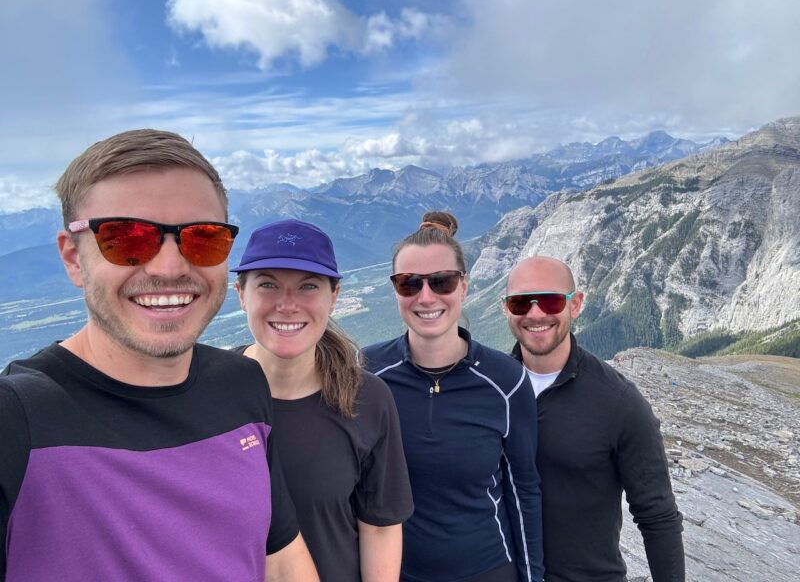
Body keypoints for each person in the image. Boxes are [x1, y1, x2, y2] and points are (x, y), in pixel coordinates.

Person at [0, 129, 318, 582]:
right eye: (126, 238)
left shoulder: (243, 384)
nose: (170, 267)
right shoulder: (17, 421)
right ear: (73, 257)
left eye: (203, 238)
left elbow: (281, 558)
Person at [362, 211, 544, 582]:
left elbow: (523, 490)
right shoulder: (366, 372)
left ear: (464, 286)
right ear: (395, 289)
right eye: (409, 283)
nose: (426, 297)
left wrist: (533, 578)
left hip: (488, 569)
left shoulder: (506, 381)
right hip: (395, 572)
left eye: (442, 282)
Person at [231, 218, 414, 582]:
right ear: (241, 293)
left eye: (308, 287)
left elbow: (379, 526)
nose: (287, 305)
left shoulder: (366, 399)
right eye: (267, 284)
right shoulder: (211, 390)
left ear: (333, 297)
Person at [502, 256, 685, 582]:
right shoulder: (490, 388)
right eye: (520, 303)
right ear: (506, 309)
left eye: (551, 300)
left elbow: (658, 516)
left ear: (576, 305)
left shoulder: (619, 402)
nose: (535, 313)